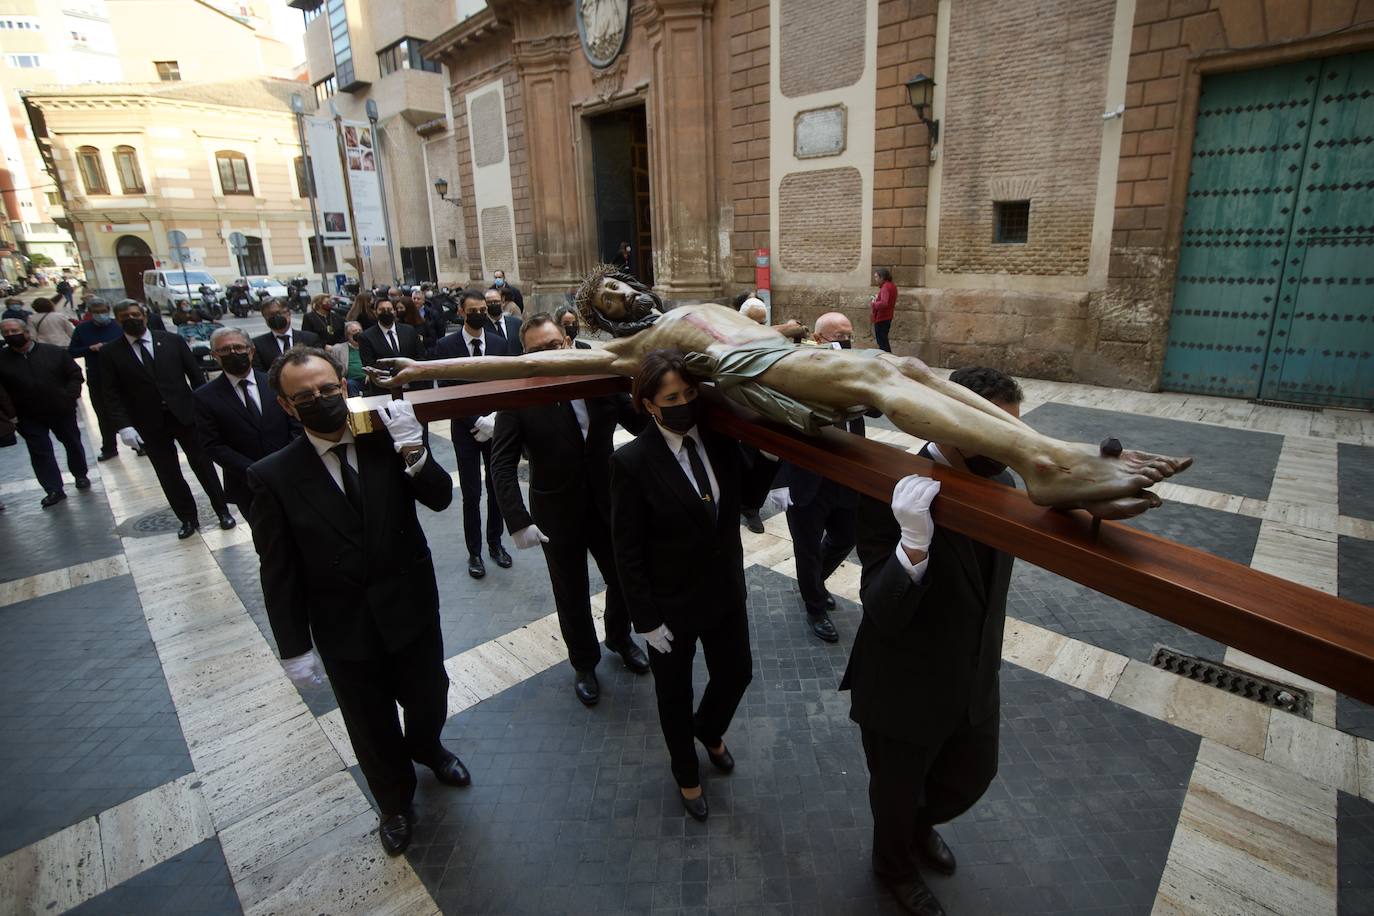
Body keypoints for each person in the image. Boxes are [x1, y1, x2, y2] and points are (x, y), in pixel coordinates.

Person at [370, 265, 1189, 517]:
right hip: (753, 375)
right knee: (875, 370)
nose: (622, 296)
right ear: (597, 320)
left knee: (900, 369)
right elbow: (530, 369)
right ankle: (1044, 468)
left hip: (775, 355)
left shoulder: (696, 302)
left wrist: (793, 333)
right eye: (608, 299)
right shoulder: (628, 349)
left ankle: (1041, 453)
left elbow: (765, 328)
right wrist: (428, 371)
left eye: (621, 286)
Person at [247, 347, 466, 857]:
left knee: (430, 693)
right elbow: (276, 569)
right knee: (370, 722)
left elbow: (439, 498)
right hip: (344, 622)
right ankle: (393, 800)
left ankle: (429, 747)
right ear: (286, 406)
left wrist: (416, 454)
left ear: (343, 388)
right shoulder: (273, 476)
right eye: (306, 396)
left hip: (410, 606)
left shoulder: (385, 439)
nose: (321, 400)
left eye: (328, 389)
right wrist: (294, 646)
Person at [843, 367, 1023, 916]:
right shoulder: (890, 488)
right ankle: (893, 867)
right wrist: (914, 546)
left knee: (971, 777)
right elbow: (881, 609)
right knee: (894, 796)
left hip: (973, 676)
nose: (1006, 447)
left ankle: (919, 828)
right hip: (903, 686)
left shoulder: (1006, 484)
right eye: (994, 431)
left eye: (1014, 432)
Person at [609, 349, 752, 821]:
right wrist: (644, 619)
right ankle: (686, 773)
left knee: (737, 673)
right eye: (672, 396)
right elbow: (626, 549)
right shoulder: (631, 462)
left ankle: (708, 729)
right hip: (669, 606)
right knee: (674, 696)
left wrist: (771, 453)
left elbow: (747, 496)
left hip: (724, 592)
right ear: (649, 403)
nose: (684, 403)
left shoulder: (719, 439)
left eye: (690, 393)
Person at [491, 314, 650, 706]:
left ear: (567, 341)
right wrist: (517, 519)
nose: (549, 353)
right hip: (555, 510)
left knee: (625, 578)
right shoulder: (519, 394)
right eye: (537, 350)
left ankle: (618, 637)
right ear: (526, 355)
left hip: (607, 499)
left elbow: (639, 424)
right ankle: (584, 663)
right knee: (571, 591)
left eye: (554, 345)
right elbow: (501, 462)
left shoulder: (598, 377)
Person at [100, 299, 235, 538]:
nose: (131, 319)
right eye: (124, 317)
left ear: (144, 314)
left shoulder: (171, 341)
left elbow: (196, 377)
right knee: (168, 472)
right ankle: (187, 519)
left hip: (185, 415)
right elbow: (110, 394)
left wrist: (205, 410)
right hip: (148, 422)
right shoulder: (111, 352)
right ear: (118, 320)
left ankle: (222, 510)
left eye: (135, 314)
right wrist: (124, 426)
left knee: (204, 465)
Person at [772, 312, 865, 643]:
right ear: (820, 338)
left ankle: (813, 583)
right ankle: (815, 608)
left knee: (845, 536)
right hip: (807, 477)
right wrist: (779, 481)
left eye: (850, 334)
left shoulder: (857, 369)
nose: (846, 340)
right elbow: (781, 424)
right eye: (839, 335)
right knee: (807, 546)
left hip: (847, 474)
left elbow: (878, 409)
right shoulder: (800, 372)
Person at [432, 290, 510, 578]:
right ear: (461, 312)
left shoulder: (500, 345)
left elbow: (506, 385)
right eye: (473, 309)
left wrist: (494, 420)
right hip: (465, 430)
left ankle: (495, 543)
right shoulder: (446, 345)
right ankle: (474, 551)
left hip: (495, 427)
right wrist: (475, 422)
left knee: (496, 488)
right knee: (471, 493)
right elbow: (449, 390)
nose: (479, 312)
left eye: (483, 308)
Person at [194, 327, 299, 520]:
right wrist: (254, 470)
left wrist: (287, 458)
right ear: (215, 356)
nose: (233, 353)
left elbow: (296, 421)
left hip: (290, 471)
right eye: (225, 350)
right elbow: (213, 445)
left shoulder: (275, 382)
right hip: (246, 483)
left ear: (251, 350)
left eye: (238, 347)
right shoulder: (204, 397)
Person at [0, 318, 89, 507]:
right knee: (40, 452)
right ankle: (53, 489)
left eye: (14, 331)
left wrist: (68, 396)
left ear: (26, 333)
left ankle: (80, 474)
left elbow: (75, 375)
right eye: (5, 333)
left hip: (61, 409)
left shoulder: (54, 353)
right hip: (27, 415)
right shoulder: (2, 360)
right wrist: (10, 413)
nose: (10, 335)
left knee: (72, 443)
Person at [68, 297, 123, 461]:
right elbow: (72, 351)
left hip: (122, 375)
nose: (100, 315)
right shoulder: (82, 329)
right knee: (103, 414)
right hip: (97, 376)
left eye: (103, 311)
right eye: (96, 312)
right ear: (90, 313)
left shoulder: (118, 325)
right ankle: (109, 447)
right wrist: (90, 348)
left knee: (129, 409)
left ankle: (139, 443)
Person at [359, 294, 425, 394]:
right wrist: (396, 372)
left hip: (413, 386)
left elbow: (421, 356)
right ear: (375, 313)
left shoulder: (409, 330)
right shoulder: (366, 337)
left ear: (394, 312)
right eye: (382, 310)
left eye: (389, 309)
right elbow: (370, 364)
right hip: (384, 389)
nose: (386, 312)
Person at [252, 299, 320, 373]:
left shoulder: (310, 338)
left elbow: (319, 365)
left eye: (279, 313)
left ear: (288, 313)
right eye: (271, 314)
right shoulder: (258, 344)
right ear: (265, 318)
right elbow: (259, 372)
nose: (276, 317)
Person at [329, 321, 367, 395]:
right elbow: (334, 367)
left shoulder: (368, 346)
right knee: (350, 384)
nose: (358, 333)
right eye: (354, 331)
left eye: (360, 330)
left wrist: (370, 374)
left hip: (369, 378)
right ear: (348, 335)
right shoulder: (338, 348)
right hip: (352, 381)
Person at [484, 287, 523, 356]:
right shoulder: (482, 327)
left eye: (496, 301)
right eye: (489, 302)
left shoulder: (517, 323)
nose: (493, 304)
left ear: (502, 302)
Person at [870, 267, 897, 353]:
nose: (875, 279)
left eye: (876, 277)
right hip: (887, 317)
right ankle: (888, 357)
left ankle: (887, 358)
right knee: (883, 340)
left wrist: (874, 303)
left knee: (882, 342)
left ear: (882, 277)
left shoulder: (885, 287)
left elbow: (884, 303)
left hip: (882, 317)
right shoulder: (892, 286)